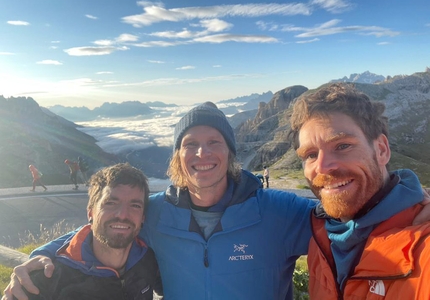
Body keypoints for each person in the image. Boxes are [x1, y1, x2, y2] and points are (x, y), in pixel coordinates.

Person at [3, 101, 430, 300]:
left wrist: (414, 200)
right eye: (190, 144)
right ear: (177, 156)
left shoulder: (280, 212)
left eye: (214, 142)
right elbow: (101, 227)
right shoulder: (153, 211)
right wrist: (40, 258)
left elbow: (349, 218)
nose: (202, 154)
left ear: (230, 153)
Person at [289, 83, 430, 299]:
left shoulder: (424, 248)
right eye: (310, 155)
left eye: (343, 146)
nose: (323, 167)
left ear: (381, 150)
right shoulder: (320, 242)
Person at [20, 163, 162, 299]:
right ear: (90, 213)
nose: (123, 215)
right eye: (111, 203)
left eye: (135, 205)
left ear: (143, 218)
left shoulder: (148, 260)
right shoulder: (47, 280)